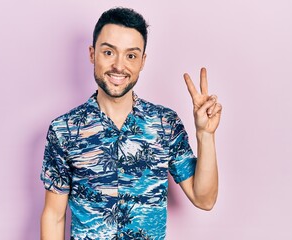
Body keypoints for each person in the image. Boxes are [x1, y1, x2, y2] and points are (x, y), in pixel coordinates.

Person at [40, 7, 222, 240]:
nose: (119, 65)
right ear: (92, 53)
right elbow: (54, 216)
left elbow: (204, 199)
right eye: (108, 52)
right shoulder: (64, 130)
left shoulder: (165, 124)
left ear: (143, 61)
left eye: (131, 55)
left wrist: (205, 135)